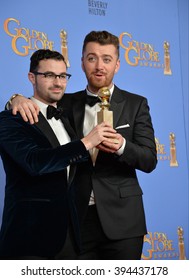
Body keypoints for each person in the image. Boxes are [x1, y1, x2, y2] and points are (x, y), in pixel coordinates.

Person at [6, 30, 157, 260]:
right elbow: (38, 103)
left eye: (107, 59)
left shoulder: (136, 104)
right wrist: (15, 99)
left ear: (117, 65)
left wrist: (122, 146)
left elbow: (149, 160)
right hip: (75, 219)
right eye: (91, 58)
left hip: (123, 221)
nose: (99, 66)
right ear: (82, 63)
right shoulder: (64, 101)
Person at [0, 48, 119, 260]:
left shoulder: (65, 118)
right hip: (30, 239)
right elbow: (34, 162)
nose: (58, 82)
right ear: (31, 78)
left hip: (70, 237)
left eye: (63, 76)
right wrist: (85, 143)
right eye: (49, 75)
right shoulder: (10, 119)